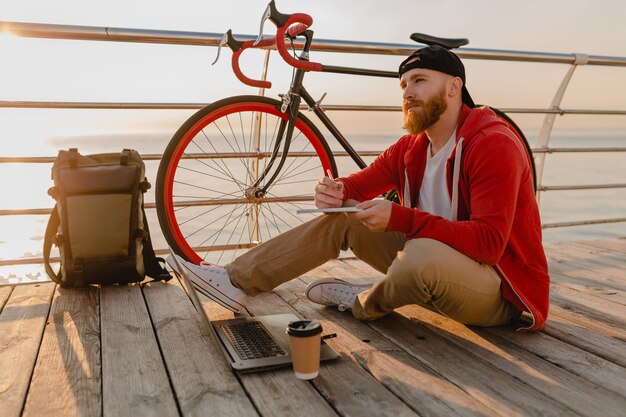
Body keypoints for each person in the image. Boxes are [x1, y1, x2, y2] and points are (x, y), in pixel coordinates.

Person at [167, 45, 550, 331]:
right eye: (403, 85)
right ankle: (237, 281)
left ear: (454, 87)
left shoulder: (491, 142)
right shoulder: (414, 146)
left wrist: (400, 217)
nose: (407, 93)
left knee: (421, 259)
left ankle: (362, 302)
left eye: (419, 81)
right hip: (433, 263)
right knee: (346, 217)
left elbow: (489, 243)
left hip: (498, 290)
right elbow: (360, 183)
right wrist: (333, 189)